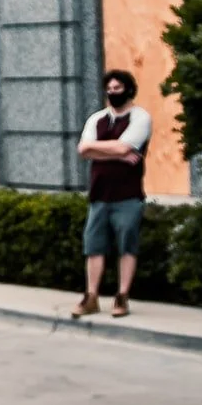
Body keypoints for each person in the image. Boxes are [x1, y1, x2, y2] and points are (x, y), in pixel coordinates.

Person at [72, 69, 150, 318]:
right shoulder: (97, 119)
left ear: (128, 89)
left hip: (128, 195)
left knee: (127, 246)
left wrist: (104, 149)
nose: (113, 93)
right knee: (93, 246)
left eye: (118, 88)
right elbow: (83, 149)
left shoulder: (140, 117)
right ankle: (91, 296)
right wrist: (116, 152)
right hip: (99, 194)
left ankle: (122, 296)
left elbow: (125, 145)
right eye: (110, 89)